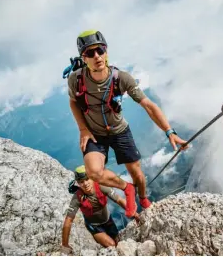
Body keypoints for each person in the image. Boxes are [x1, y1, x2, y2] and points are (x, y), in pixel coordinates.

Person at [67, 29, 189, 218]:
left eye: (100, 50)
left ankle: (142, 198)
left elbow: (148, 105)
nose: (97, 56)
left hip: (119, 130)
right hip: (94, 133)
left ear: (106, 51)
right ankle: (128, 189)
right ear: (83, 58)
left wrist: (169, 131)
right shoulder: (76, 80)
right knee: (93, 172)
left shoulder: (121, 78)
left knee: (137, 173)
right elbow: (73, 102)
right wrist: (83, 129)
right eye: (90, 53)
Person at [61, 165, 139, 253]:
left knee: (119, 243)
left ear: (91, 178)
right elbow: (68, 220)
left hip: (108, 221)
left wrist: (135, 214)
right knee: (112, 245)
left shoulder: (101, 186)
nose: (85, 183)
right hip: (95, 226)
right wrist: (65, 244)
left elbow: (119, 200)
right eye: (82, 182)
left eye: (87, 179)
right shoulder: (77, 198)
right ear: (78, 183)